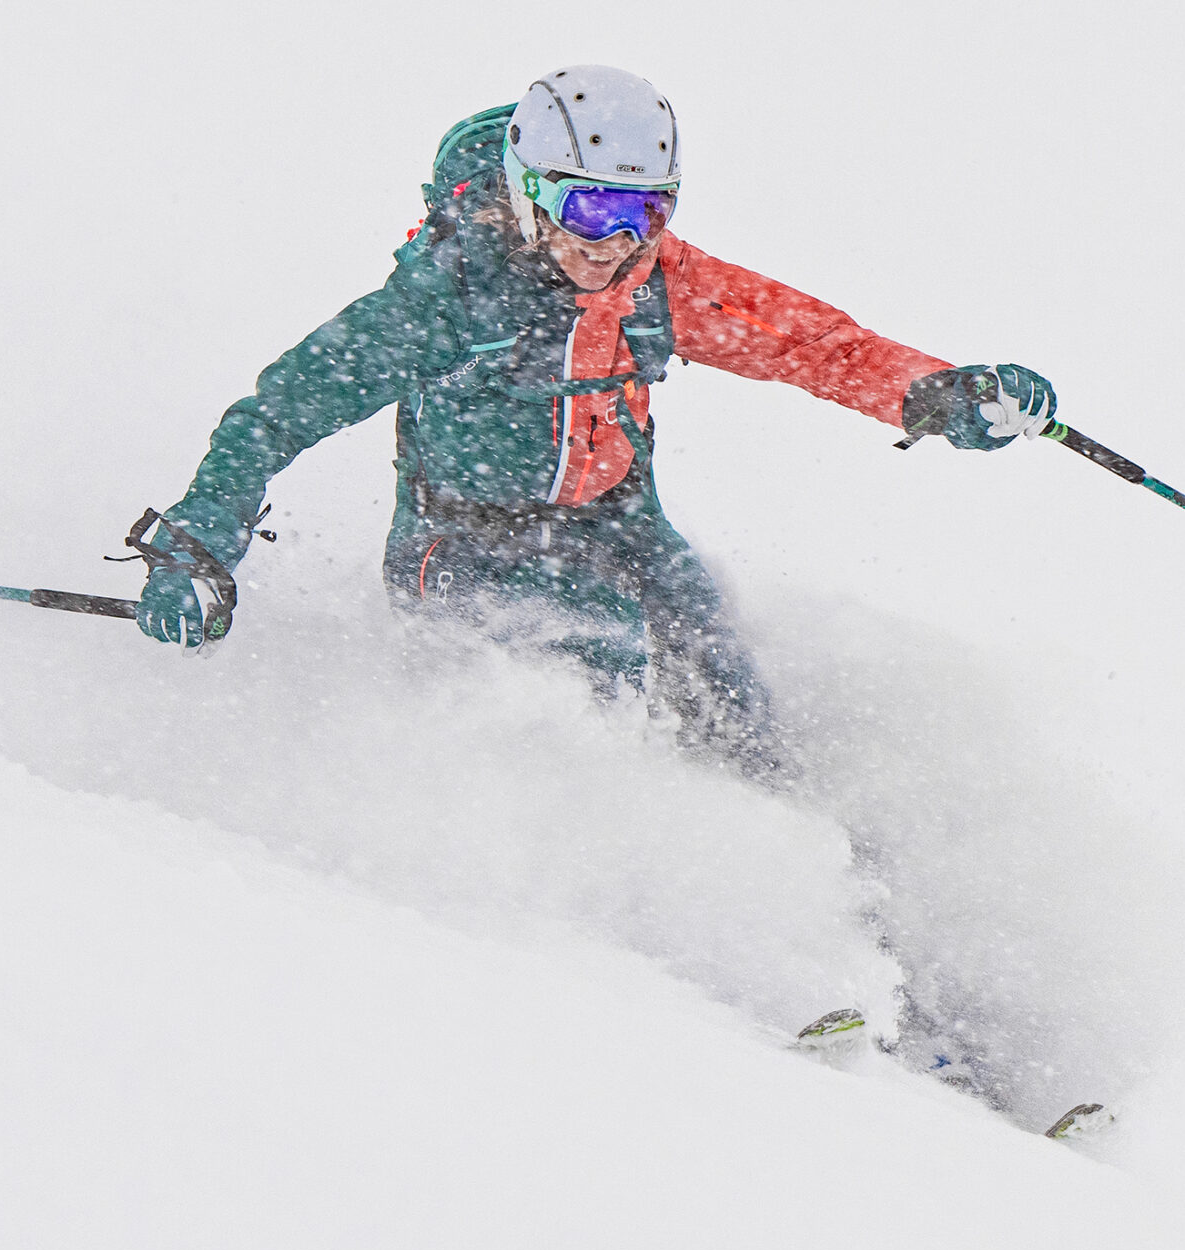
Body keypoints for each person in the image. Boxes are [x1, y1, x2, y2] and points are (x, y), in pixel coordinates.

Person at [135, 65, 1057, 776]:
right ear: (531, 191)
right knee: (589, 690)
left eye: (645, 211)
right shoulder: (447, 299)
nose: (613, 241)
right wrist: (200, 542)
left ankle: (818, 915)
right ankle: (625, 945)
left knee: (726, 693)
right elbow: (276, 414)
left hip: (623, 526)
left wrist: (935, 391)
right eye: (592, 206)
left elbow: (820, 346)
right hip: (466, 545)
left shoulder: (658, 278)